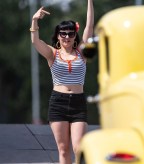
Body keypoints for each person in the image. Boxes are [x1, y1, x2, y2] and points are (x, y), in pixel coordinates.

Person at [30, 0, 94, 163]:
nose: (67, 36)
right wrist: (34, 20)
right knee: (63, 150)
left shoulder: (81, 52)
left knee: (79, 148)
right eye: (63, 33)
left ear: (75, 36)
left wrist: (90, 1)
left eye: (71, 33)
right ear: (58, 36)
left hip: (78, 103)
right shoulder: (53, 54)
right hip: (58, 103)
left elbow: (89, 27)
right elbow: (36, 42)